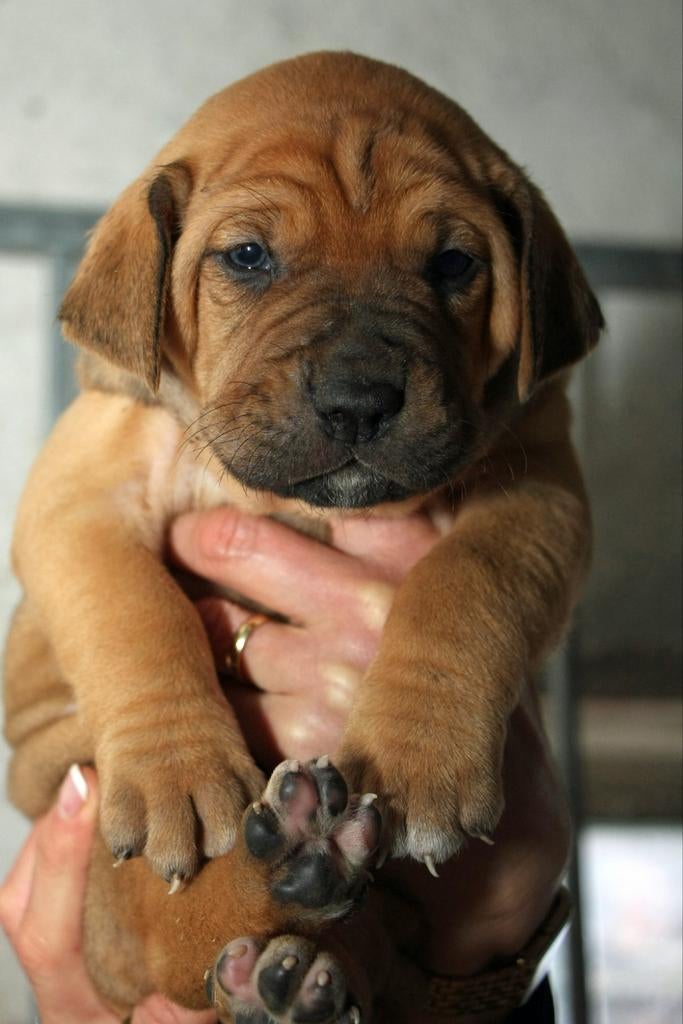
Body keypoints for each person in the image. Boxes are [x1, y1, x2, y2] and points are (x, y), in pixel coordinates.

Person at [0, 507, 570, 1022]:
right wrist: (159, 717)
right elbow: (68, 517)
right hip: (137, 807)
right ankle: (271, 910)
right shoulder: (133, 429)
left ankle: (307, 940)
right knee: (161, 882)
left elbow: (546, 509)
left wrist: (436, 670)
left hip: (387, 911)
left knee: (317, 967)